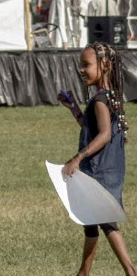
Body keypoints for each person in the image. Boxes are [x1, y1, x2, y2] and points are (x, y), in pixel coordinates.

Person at [60, 43, 136, 276]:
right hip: (105, 169)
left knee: (105, 222)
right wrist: (74, 109)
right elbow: (92, 128)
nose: (81, 69)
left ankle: (130, 271)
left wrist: (77, 158)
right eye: (80, 65)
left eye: (86, 64)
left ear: (104, 65)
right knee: (90, 221)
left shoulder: (102, 100)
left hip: (99, 170)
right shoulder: (108, 97)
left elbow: (103, 136)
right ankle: (84, 271)